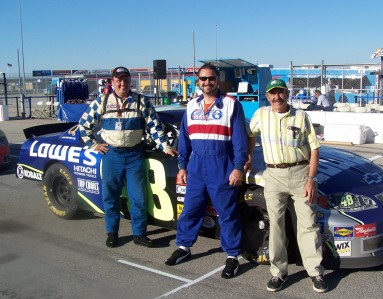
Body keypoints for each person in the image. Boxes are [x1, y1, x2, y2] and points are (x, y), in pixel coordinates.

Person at [165, 63, 248, 279]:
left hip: (222, 166)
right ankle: (183, 247)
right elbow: (184, 139)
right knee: (190, 209)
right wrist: (182, 166)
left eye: (211, 78)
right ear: (198, 81)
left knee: (227, 214)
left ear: (217, 80)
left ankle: (232, 256)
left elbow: (240, 141)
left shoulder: (231, 104)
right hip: (196, 167)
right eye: (203, 79)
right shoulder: (191, 105)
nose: (207, 82)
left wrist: (238, 167)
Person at [79, 66, 177, 248]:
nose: (122, 83)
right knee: (111, 197)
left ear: (130, 81)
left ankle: (139, 234)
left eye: (125, 80)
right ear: (112, 81)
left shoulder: (141, 101)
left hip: (134, 156)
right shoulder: (102, 101)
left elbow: (155, 126)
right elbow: (84, 125)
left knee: (138, 198)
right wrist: (93, 144)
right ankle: (112, 233)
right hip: (111, 155)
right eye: (118, 80)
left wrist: (165, 147)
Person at [246, 79, 328, 293]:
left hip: (301, 174)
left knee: (308, 225)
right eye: (272, 93)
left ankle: (315, 271)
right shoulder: (261, 115)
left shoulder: (301, 117)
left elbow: (315, 149)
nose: (277, 97)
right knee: (276, 225)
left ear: (287, 93)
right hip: (273, 175)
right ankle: (278, 273)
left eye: (280, 92)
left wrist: (312, 179)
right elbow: (250, 134)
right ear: (267, 96)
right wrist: (247, 157)